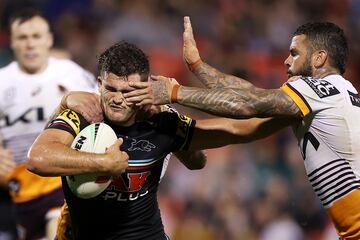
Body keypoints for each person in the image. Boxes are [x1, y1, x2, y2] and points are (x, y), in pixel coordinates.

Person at [123, 17, 360, 239]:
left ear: (319, 59)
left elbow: (247, 105)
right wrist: (197, 66)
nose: (286, 61)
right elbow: (247, 118)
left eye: (295, 54)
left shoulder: (320, 90)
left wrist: (175, 93)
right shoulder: (332, 95)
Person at [26, 41, 270, 240]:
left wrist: (294, 111)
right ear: (99, 85)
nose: (118, 99)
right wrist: (103, 164)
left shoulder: (161, 118)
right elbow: (38, 159)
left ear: (146, 87)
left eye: (129, 91)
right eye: (112, 89)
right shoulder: (85, 113)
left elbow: (238, 132)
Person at [0, 8, 96, 240]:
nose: (30, 44)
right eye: (23, 38)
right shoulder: (2, 83)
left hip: (62, 177)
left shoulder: (73, 76)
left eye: (36, 37)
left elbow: (101, 119)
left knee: (58, 223)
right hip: (16, 186)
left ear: (49, 39)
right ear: (12, 42)